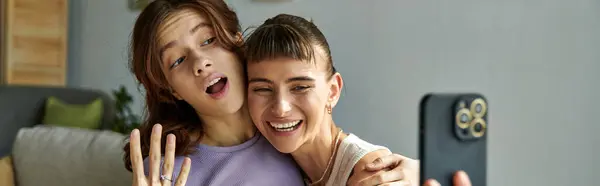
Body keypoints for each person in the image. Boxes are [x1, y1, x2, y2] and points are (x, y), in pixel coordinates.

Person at [123, 0, 419, 185]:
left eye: (208, 40)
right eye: (177, 60)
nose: (201, 64)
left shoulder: (285, 132)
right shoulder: (165, 172)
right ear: (168, 89)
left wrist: (424, 171)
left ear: (238, 44)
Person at [243, 13, 475, 186]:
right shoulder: (274, 162)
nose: (281, 108)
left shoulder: (372, 173)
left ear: (332, 91)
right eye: (262, 89)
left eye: (300, 87)